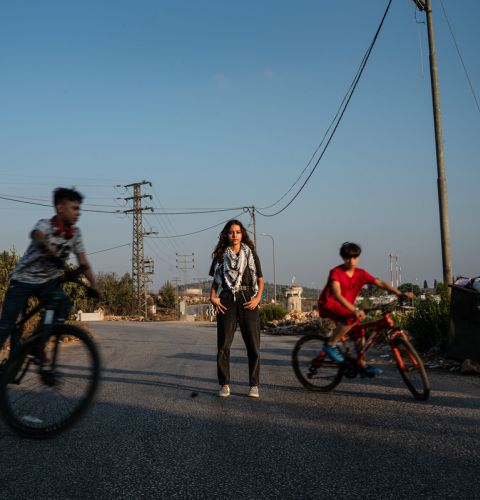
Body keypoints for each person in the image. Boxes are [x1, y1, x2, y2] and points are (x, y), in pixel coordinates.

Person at [0, 187, 100, 356]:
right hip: (22, 280)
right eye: (74, 208)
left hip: (47, 282)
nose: (78, 213)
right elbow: (36, 234)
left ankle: (38, 342)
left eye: (79, 209)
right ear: (60, 208)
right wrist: (47, 245)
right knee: (6, 326)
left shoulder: (75, 234)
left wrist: (94, 285)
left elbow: (83, 262)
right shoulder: (45, 224)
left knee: (63, 303)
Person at [317, 242, 412, 377]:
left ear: (358, 257)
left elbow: (380, 283)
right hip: (328, 304)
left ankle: (361, 364)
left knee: (359, 331)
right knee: (351, 318)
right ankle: (330, 345)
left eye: (354, 257)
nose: (351, 261)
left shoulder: (360, 274)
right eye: (348, 258)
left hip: (346, 307)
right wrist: (354, 309)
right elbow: (337, 295)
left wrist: (399, 293)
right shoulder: (336, 273)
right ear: (343, 258)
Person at [209, 220, 264, 398]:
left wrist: (257, 298)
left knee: (253, 345)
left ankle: (254, 385)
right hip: (227, 300)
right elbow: (215, 281)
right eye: (231, 232)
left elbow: (261, 279)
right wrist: (212, 298)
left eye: (238, 232)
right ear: (226, 234)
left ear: (242, 234)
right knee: (223, 345)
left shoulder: (250, 253)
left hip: (248, 298)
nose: (235, 235)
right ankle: (225, 384)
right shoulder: (220, 255)